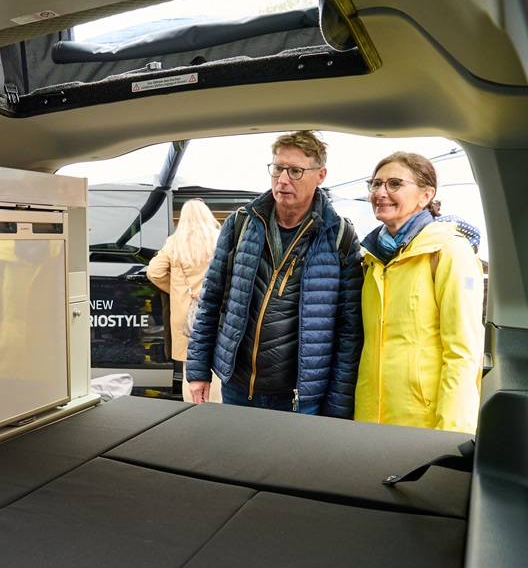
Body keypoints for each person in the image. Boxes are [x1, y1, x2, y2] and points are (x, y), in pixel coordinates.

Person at [186, 131, 363, 416]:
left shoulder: (339, 236)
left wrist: (337, 409)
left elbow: (348, 331)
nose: (282, 180)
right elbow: (211, 300)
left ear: (321, 175)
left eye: (295, 171)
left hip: (299, 398)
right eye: (278, 168)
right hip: (237, 387)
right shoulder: (242, 223)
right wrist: (198, 370)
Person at [354, 152, 484, 434]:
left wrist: (451, 433)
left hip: (424, 426)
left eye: (394, 184)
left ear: (426, 195)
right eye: (375, 184)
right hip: (369, 421)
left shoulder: (449, 251)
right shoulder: (371, 259)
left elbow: (463, 353)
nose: (380, 193)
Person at [148, 199, 223, 402]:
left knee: (190, 367)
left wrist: (176, 290)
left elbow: (154, 272)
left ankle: (192, 410)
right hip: (215, 311)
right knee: (216, 365)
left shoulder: (174, 242)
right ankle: (216, 411)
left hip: (185, 316)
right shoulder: (219, 239)